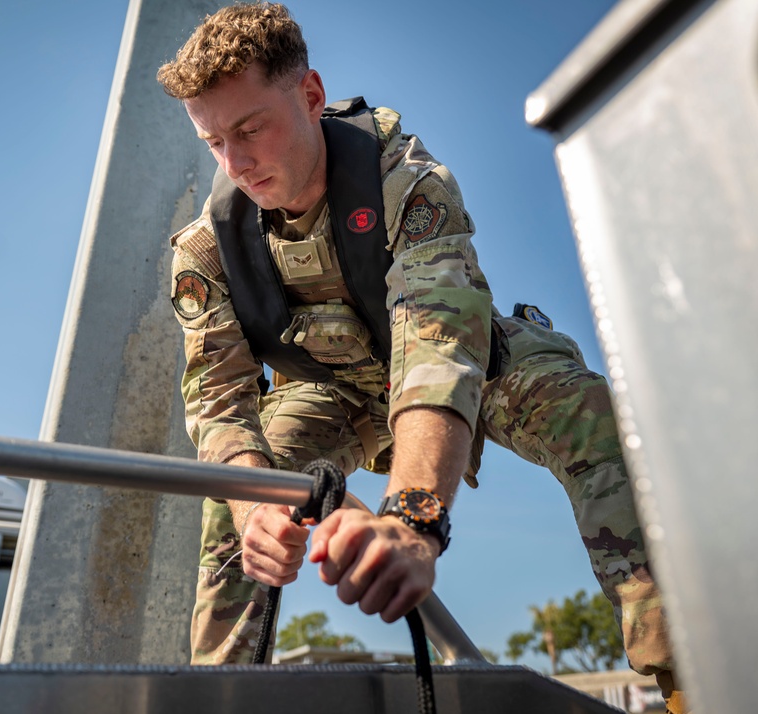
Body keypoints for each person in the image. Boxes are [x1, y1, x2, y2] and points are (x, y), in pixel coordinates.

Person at [157, 3, 686, 712]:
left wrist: (410, 519)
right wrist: (258, 507)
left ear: (311, 96)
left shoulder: (406, 181)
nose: (236, 161)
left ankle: (693, 676)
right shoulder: (205, 250)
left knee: (590, 417)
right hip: (333, 390)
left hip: (472, 358)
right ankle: (220, 700)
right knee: (242, 493)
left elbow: (439, 348)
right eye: (214, 140)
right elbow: (219, 402)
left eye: (250, 128)